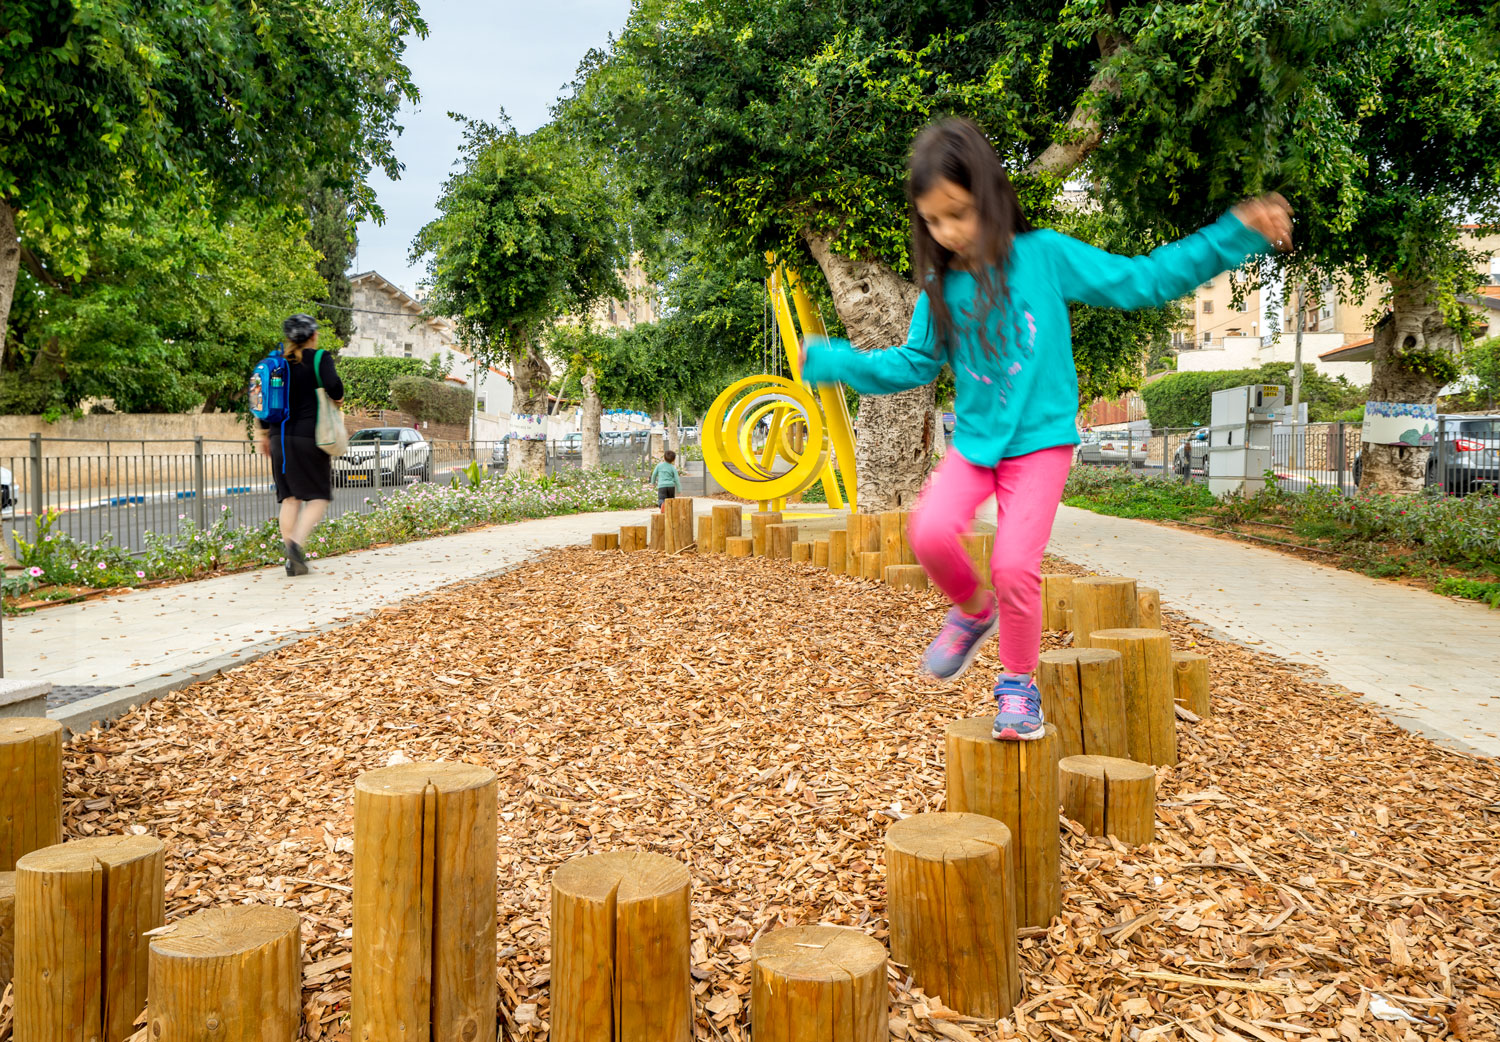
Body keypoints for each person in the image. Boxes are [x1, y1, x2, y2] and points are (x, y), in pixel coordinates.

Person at [801, 118, 1291, 741]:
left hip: (1040, 446)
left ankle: (1017, 684)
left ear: (993, 197)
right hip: (977, 446)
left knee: (1013, 565)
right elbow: (914, 363)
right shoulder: (941, 291)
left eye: (960, 213)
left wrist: (1234, 233)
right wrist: (838, 361)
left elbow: (1144, 281)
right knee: (927, 533)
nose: (949, 232)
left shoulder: (1046, 256)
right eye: (934, 221)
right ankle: (973, 613)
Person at [254, 314, 345, 576]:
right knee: (319, 496)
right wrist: (337, 398)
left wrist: (263, 435)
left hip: (278, 438)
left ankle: (290, 559)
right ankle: (295, 546)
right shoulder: (319, 358)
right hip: (310, 438)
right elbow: (335, 387)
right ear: (314, 335)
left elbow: (261, 401)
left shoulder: (276, 363)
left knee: (290, 499)